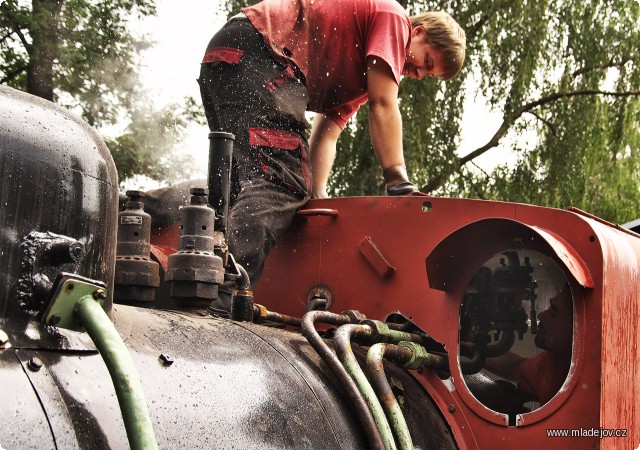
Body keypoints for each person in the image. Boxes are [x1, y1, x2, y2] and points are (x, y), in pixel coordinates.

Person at [198, 0, 466, 289]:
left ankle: (180, 236)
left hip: (230, 52)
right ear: (419, 32)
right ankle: (223, 285)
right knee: (279, 183)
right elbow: (384, 105)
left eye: (429, 74)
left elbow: (327, 134)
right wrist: (397, 179)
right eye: (426, 62)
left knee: (239, 186)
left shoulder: (358, 81)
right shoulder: (394, 18)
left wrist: (317, 193)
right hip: (261, 49)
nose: (419, 73)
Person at [484, 288, 574, 405]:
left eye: (554, 313)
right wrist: (467, 346)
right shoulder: (557, 361)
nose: (541, 315)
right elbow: (515, 368)